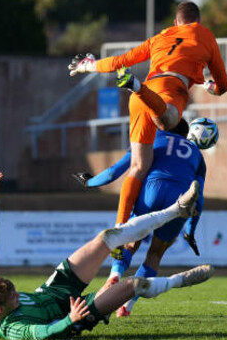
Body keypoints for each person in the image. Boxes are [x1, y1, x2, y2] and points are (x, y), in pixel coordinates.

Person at [0, 171, 214, 340]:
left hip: (53, 290)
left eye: (14, 291)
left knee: (106, 238)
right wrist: (71, 320)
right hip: (70, 314)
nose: (17, 295)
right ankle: (179, 281)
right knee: (134, 285)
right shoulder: (12, 329)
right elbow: (44, 333)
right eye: (13, 298)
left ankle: (177, 209)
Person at [68, 1, 227, 232]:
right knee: (169, 120)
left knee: (138, 165)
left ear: (176, 22)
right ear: (198, 21)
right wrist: (210, 86)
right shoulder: (206, 36)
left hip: (142, 96)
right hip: (168, 92)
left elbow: (119, 61)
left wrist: (89, 66)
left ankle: (119, 227)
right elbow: (223, 86)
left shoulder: (162, 36)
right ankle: (136, 85)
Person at [72, 117, 219, 317]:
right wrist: (190, 232)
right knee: (155, 254)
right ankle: (127, 305)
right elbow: (198, 197)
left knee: (131, 242)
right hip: (180, 196)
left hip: (151, 192)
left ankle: (115, 275)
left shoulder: (152, 138)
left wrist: (90, 183)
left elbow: (116, 170)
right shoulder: (198, 157)